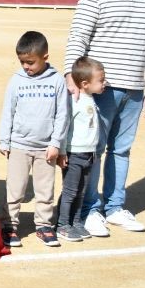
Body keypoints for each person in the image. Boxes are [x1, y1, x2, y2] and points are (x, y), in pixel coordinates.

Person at [64, 0, 145, 237]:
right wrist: (72, 76)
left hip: (134, 88)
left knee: (122, 150)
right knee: (94, 149)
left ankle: (115, 206)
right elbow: (78, 36)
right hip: (100, 88)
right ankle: (91, 208)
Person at [0, 30, 69, 248]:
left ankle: (44, 225)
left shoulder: (57, 81)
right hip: (19, 146)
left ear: (45, 57)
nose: (26, 67)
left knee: (45, 189)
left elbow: (62, 115)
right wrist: (4, 140)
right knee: (15, 189)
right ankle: (9, 225)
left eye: (31, 62)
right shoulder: (16, 81)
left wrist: (57, 145)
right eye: (22, 62)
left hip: (46, 148)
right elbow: (8, 110)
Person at [56, 56, 106, 242]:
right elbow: (64, 126)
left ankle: (76, 221)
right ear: (84, 83)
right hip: (74, 153)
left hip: (89, 153)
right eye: (100, 80)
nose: (104, 83)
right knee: (70, 191)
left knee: (81, 191)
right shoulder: (74, 100)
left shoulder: (90, 98)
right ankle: (62, 224)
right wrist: (62, 151)